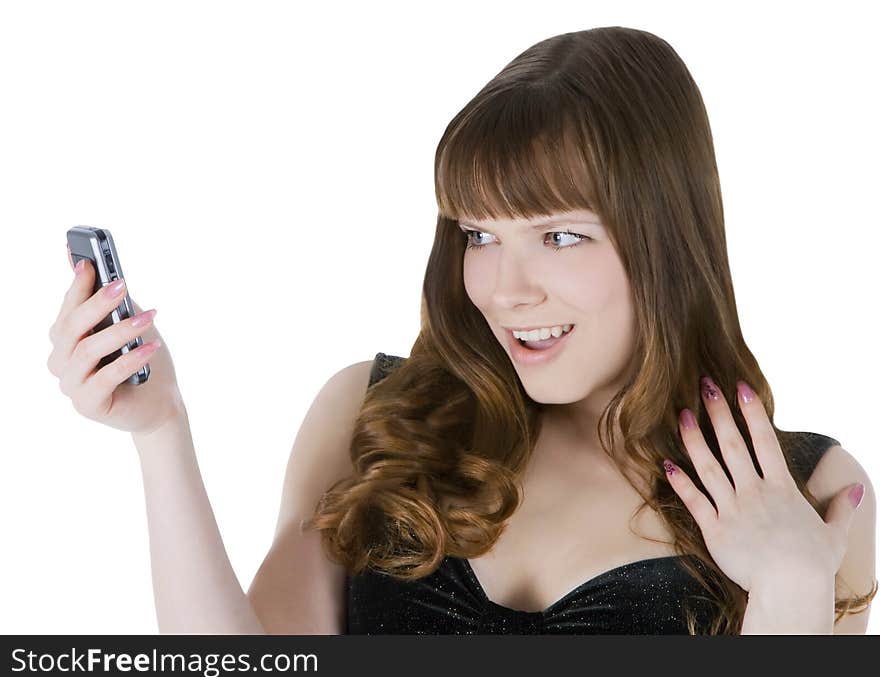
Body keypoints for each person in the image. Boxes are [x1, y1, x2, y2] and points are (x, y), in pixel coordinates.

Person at [47, 26, 876, 635]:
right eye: (480, 234)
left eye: (559, 235)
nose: (505, 291)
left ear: (664, 241)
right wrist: (162, 436)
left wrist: (794, 596)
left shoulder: (811, 495)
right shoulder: (375, 417)